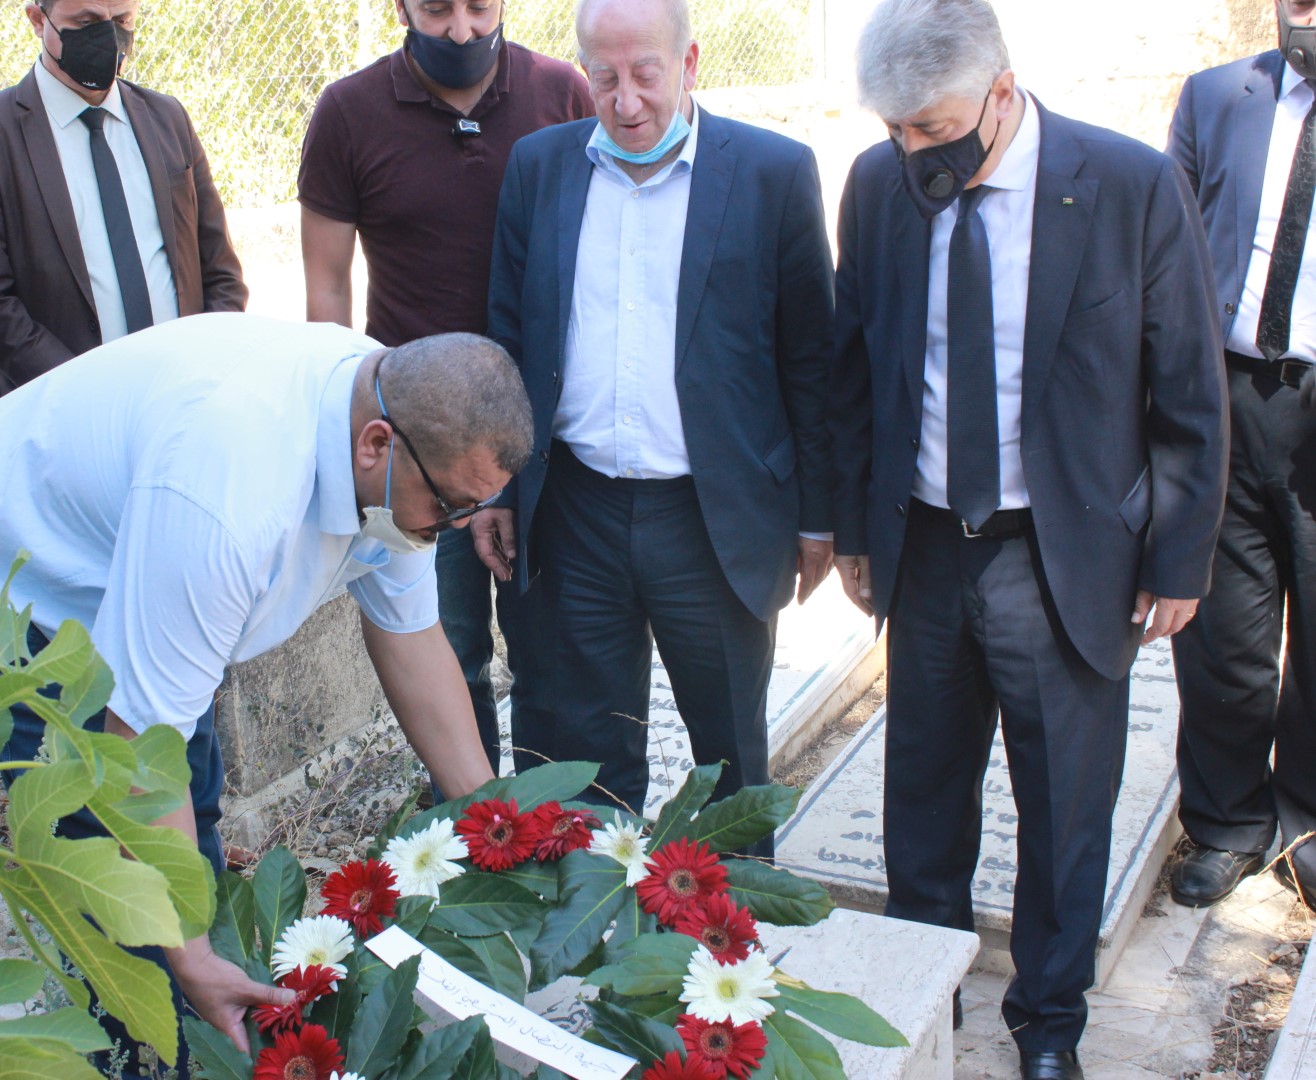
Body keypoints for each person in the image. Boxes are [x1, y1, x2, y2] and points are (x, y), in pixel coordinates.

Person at [0, 312, 530, 1074]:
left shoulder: (396, 425)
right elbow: (139, 746)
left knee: (189, 829)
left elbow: (411, 639)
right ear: (376, 445)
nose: (456, 526)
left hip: (141, 572)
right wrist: (188, 954)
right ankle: (129, 1048)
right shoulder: (231, 490)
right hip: (11, 579)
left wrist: (494, 821)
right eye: (450, 507)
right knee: (112, 881)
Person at [830, 1, 1228, 1076]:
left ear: (1001, 91)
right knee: (921, 802)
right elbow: (856, 366)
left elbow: (1189, 387)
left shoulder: (1129, 186)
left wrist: (1178, 557)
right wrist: (858, 527)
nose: (913, 150)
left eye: (932, 126)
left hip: (1062, 559)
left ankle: (1048, 1029)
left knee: (1063, 812)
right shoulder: (877, 186)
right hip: (926, 545)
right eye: (895, 129)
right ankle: (923, 1008)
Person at [477, 0, 835, 854]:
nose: (626, 101)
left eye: (646, 74)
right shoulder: (541, 167)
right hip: (577, 508)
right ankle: (596, 924)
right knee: (583, 758)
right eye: (604, 78)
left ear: (689, 62)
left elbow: (811, 359)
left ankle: (733, 926)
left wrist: (819, 516)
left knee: (730, 757)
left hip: (712, 515)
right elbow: (509, 335)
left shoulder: (772, 173)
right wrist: (497, 483)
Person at [298, 0, 592, 773]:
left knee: (552, 658)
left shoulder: (562, 93)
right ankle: (470, 830)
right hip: (417, 448)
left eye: (478, 7)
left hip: (538, 441)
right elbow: (326, 291)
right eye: (436, 9)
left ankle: (549, 826)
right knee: (446, 654)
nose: (461, 30)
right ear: (400, 6)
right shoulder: (347, 113)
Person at [1164, 0, 1316, 912]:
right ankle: (1226, 823)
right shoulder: (1218, 98)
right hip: (1232, 393)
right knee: (1223, 633)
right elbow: (1169, 250)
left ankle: (1307, 824)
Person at [0, 0, 246, 404]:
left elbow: (220, 270)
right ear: (37, 19)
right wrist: (90, 397)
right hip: (57, 410)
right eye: (86, 22)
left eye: (122, 21)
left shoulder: (168, 119)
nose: (108, 37)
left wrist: (206, 369)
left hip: (181, 400)